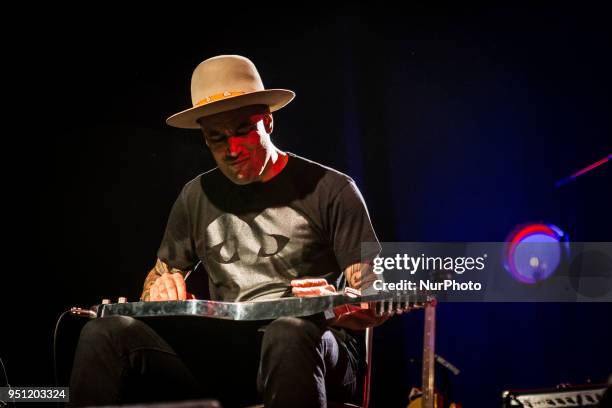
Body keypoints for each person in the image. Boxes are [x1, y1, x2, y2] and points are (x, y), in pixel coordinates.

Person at [69, 55, 386, 408]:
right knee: (103, 333)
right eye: (217, 138)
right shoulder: (196, 196)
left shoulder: (331, 188)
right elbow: (158, 276)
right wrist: (158, 289)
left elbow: (376, 288)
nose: (232, 150)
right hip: (233, 354)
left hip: (317, 346)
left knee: (287, 331)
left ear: (268, 121)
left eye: (242, 131)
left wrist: (335, 301)